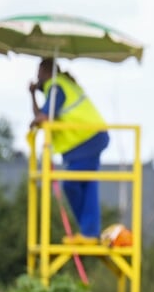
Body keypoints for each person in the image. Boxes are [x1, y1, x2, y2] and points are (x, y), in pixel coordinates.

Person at [30, 58, 110, 242]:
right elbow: (44, 114)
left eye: (39, 72)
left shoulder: (56, 87)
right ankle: (90, 231)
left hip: (86, 138)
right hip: (91, 137)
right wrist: (33, 94)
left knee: (71, 183)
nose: (37, 77)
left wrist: (35, 117)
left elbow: (42, 117)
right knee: (88, 183)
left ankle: (89, 232)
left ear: (46, 72)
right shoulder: (60, 86)